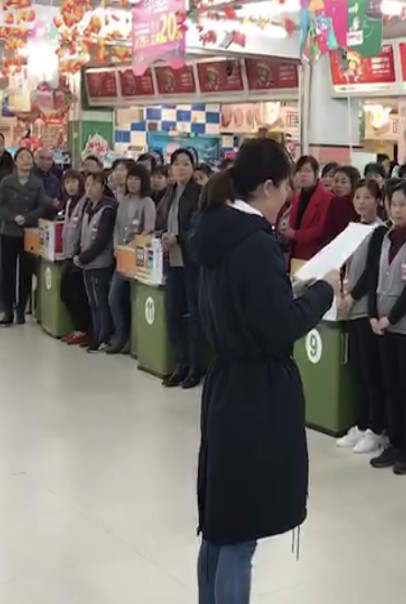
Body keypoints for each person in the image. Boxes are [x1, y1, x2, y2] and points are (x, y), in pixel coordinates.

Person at [190, 138, 337, 604]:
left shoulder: (215, 230)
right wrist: (323, 292)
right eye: (287, 187)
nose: (290, 197)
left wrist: (284, 288)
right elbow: (280, 327)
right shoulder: (255, 243)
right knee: (241, 532)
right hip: (256, 393)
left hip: (226, 383)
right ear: (268, 186)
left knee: (219, 524)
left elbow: (245, 305)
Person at [350, 181, 406, 475]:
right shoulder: (384, 236)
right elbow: (374, 276)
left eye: (402, 205)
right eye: (392, 204)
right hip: (383, 325)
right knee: (390, 386)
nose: (396, 210)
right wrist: (373, 315)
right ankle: (395, 442)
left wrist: (392, 317)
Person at [336, 179, 389, 456]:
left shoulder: (379, 231)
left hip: (366, 308)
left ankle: (376, 429)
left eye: (367, 197)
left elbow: (371, 272)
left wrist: (352, 297)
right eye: (357, 197)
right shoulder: (354, 229)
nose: (361, 202)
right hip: (350, 307)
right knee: (357, 370)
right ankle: (360, 423)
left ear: (378, 201)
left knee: (371, 372)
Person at [156, 148, 206, 389]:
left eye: (186, 164)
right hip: (172, 261)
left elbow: (200, 227)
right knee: (172, 314)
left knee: (195, 316)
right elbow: (160, 222)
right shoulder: (169, 193)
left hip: (192, 262)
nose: (181, 168)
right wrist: (162, 236)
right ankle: (180, 364)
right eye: (177, 164)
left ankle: (196, 367)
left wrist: (179, 238)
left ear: (193, 167)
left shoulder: (199, 194)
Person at [106, 163, 156, 354]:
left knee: (133, 298)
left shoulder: (147, 202)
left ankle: (132, 340)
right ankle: (121, 334)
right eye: (130, 179)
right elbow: (117, 228)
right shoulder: (124, 201)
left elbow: (149, 229)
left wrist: (132, 246)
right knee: (114, 297)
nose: (133, 183)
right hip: (122, 256)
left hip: (139, 256)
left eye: (137, 179)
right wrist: (117, 247)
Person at [0, 147, 49, 325]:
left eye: (28, 157)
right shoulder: (6, 182)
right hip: (9, 231)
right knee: (7, 272)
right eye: (22, 157)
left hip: (30, 233)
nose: (26, 160)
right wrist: (12, 217)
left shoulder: (37, 183)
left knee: (26, 272)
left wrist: (27, 218)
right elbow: (1, 205)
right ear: (15, 161)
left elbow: (42, 206)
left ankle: (21, 309)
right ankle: (7, 309)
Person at [75, 171, 118, 351]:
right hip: (86, 262)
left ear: (102, 186)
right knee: (92, 300)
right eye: (87, 185)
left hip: (100, 262)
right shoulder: (87, 207)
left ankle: (104, 335)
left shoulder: (107, 209)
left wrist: (84, 257)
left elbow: (102, 239)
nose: (89, 189)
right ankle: (96, 331)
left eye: (94, 185)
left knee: (101, 300)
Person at [58, 170, 91, 345]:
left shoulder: (86, 202)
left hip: (80, 257)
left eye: (74, 181)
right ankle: (78, 328)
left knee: (77, 295)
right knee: (65, 293)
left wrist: (79, 254)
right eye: (67, 182)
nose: (70, 186)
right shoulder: (70, 202)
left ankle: (84, 329)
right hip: (69, 255)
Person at [284, 156, 333, 264]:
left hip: (314, 255)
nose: (303, 175)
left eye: (307, 171)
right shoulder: (296, 198)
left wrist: (296, 235)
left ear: (316, 174)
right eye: (299, 171)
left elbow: (322, 229)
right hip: (295, 254)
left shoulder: (327, 198)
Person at [324, 165, 359, 240]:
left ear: (352, 184)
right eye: (336, 181)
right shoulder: (332, 200)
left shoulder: (339, 203)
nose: (338, 185)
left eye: (343, 182)